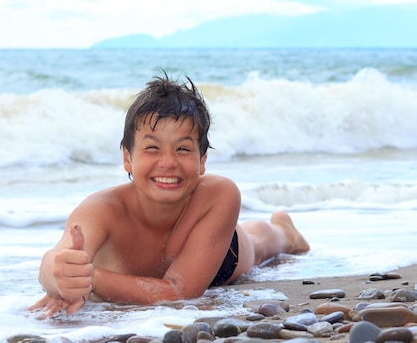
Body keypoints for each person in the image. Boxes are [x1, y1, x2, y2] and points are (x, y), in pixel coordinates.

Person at [29, 74, 310, 318]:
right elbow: (55, 258)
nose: (168, 162)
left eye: (183, 149)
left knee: (259, 244)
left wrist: (92, 278)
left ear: (202, 160)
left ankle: (286, 233)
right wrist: (61, 277)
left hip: (218, 256)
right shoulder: (101, 209)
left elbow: (177, 292)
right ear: (128, 157)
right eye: (152, 148)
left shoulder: (218, 194)